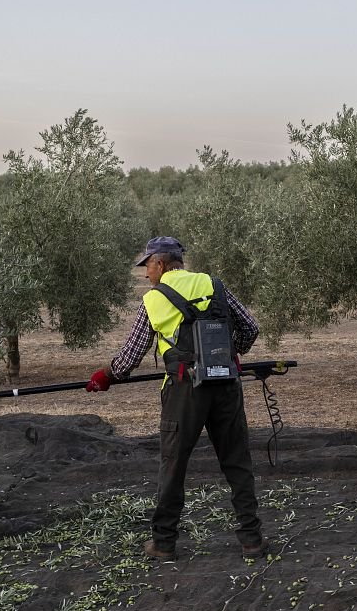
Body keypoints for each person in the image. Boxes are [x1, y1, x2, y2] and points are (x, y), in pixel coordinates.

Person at [86, 236, 267, 561]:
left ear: (161, 263)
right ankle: (251, 540)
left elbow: (130, 357)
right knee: (237, 463)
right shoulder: (214, 285)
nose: (146, 275)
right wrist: (228, 353)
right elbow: (250, 328)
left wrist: (105, 376)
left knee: (173, 466)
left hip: (184, 391)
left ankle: (164, 543)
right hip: (226, 385)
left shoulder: (155, 299)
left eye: (148, 266)